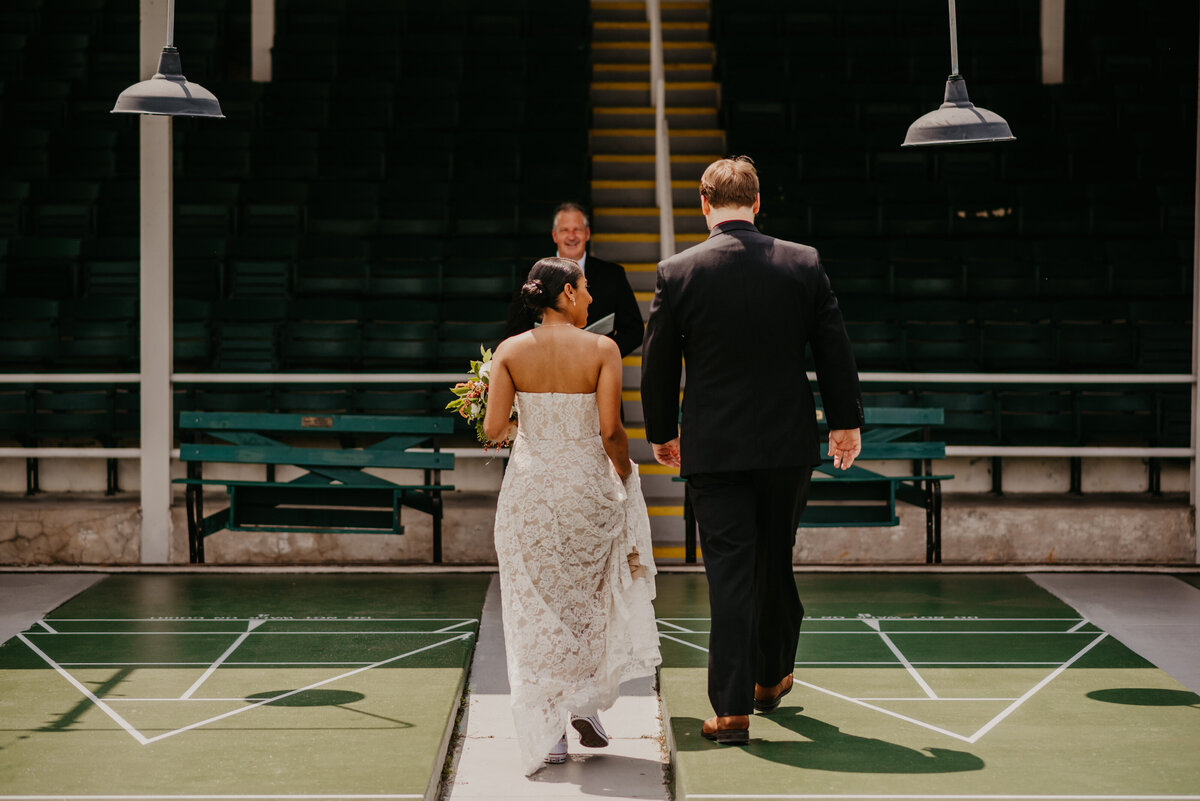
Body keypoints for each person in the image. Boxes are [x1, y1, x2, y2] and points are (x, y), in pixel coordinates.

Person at [640, 156, 864, 745]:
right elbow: (834, 349)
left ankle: (733, 708)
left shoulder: (677, 271)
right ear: (758, 201)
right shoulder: (803, 262)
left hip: (714, 448)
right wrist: (845, 423)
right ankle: (772, 676)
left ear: (704, 203)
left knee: (730, 573)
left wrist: (662, 432)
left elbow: (658, 362)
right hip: (788, 444)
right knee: (774, 560)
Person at [484, 256, 661, 774]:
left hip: (531, 491)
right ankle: (583, 704)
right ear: (565, 294)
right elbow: (610, 431)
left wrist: (532, 425)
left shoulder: (510, 351)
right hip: (586, 488)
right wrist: (626, 474)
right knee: (587, 601)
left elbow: (495, 429)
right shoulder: (603, 349)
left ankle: (554, 732)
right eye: (584, 290)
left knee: (536, 606)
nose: (589, 299)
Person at [504, 202, 645, 357]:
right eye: (565, 230)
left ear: (587, 234)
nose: (571, 236)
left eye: (577, 229)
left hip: (597, 371)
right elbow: (515, 330)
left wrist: (602, 355)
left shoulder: (613, 274)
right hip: (547, 368)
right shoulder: (531, 275)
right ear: (554, 235)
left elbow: (634, 330)